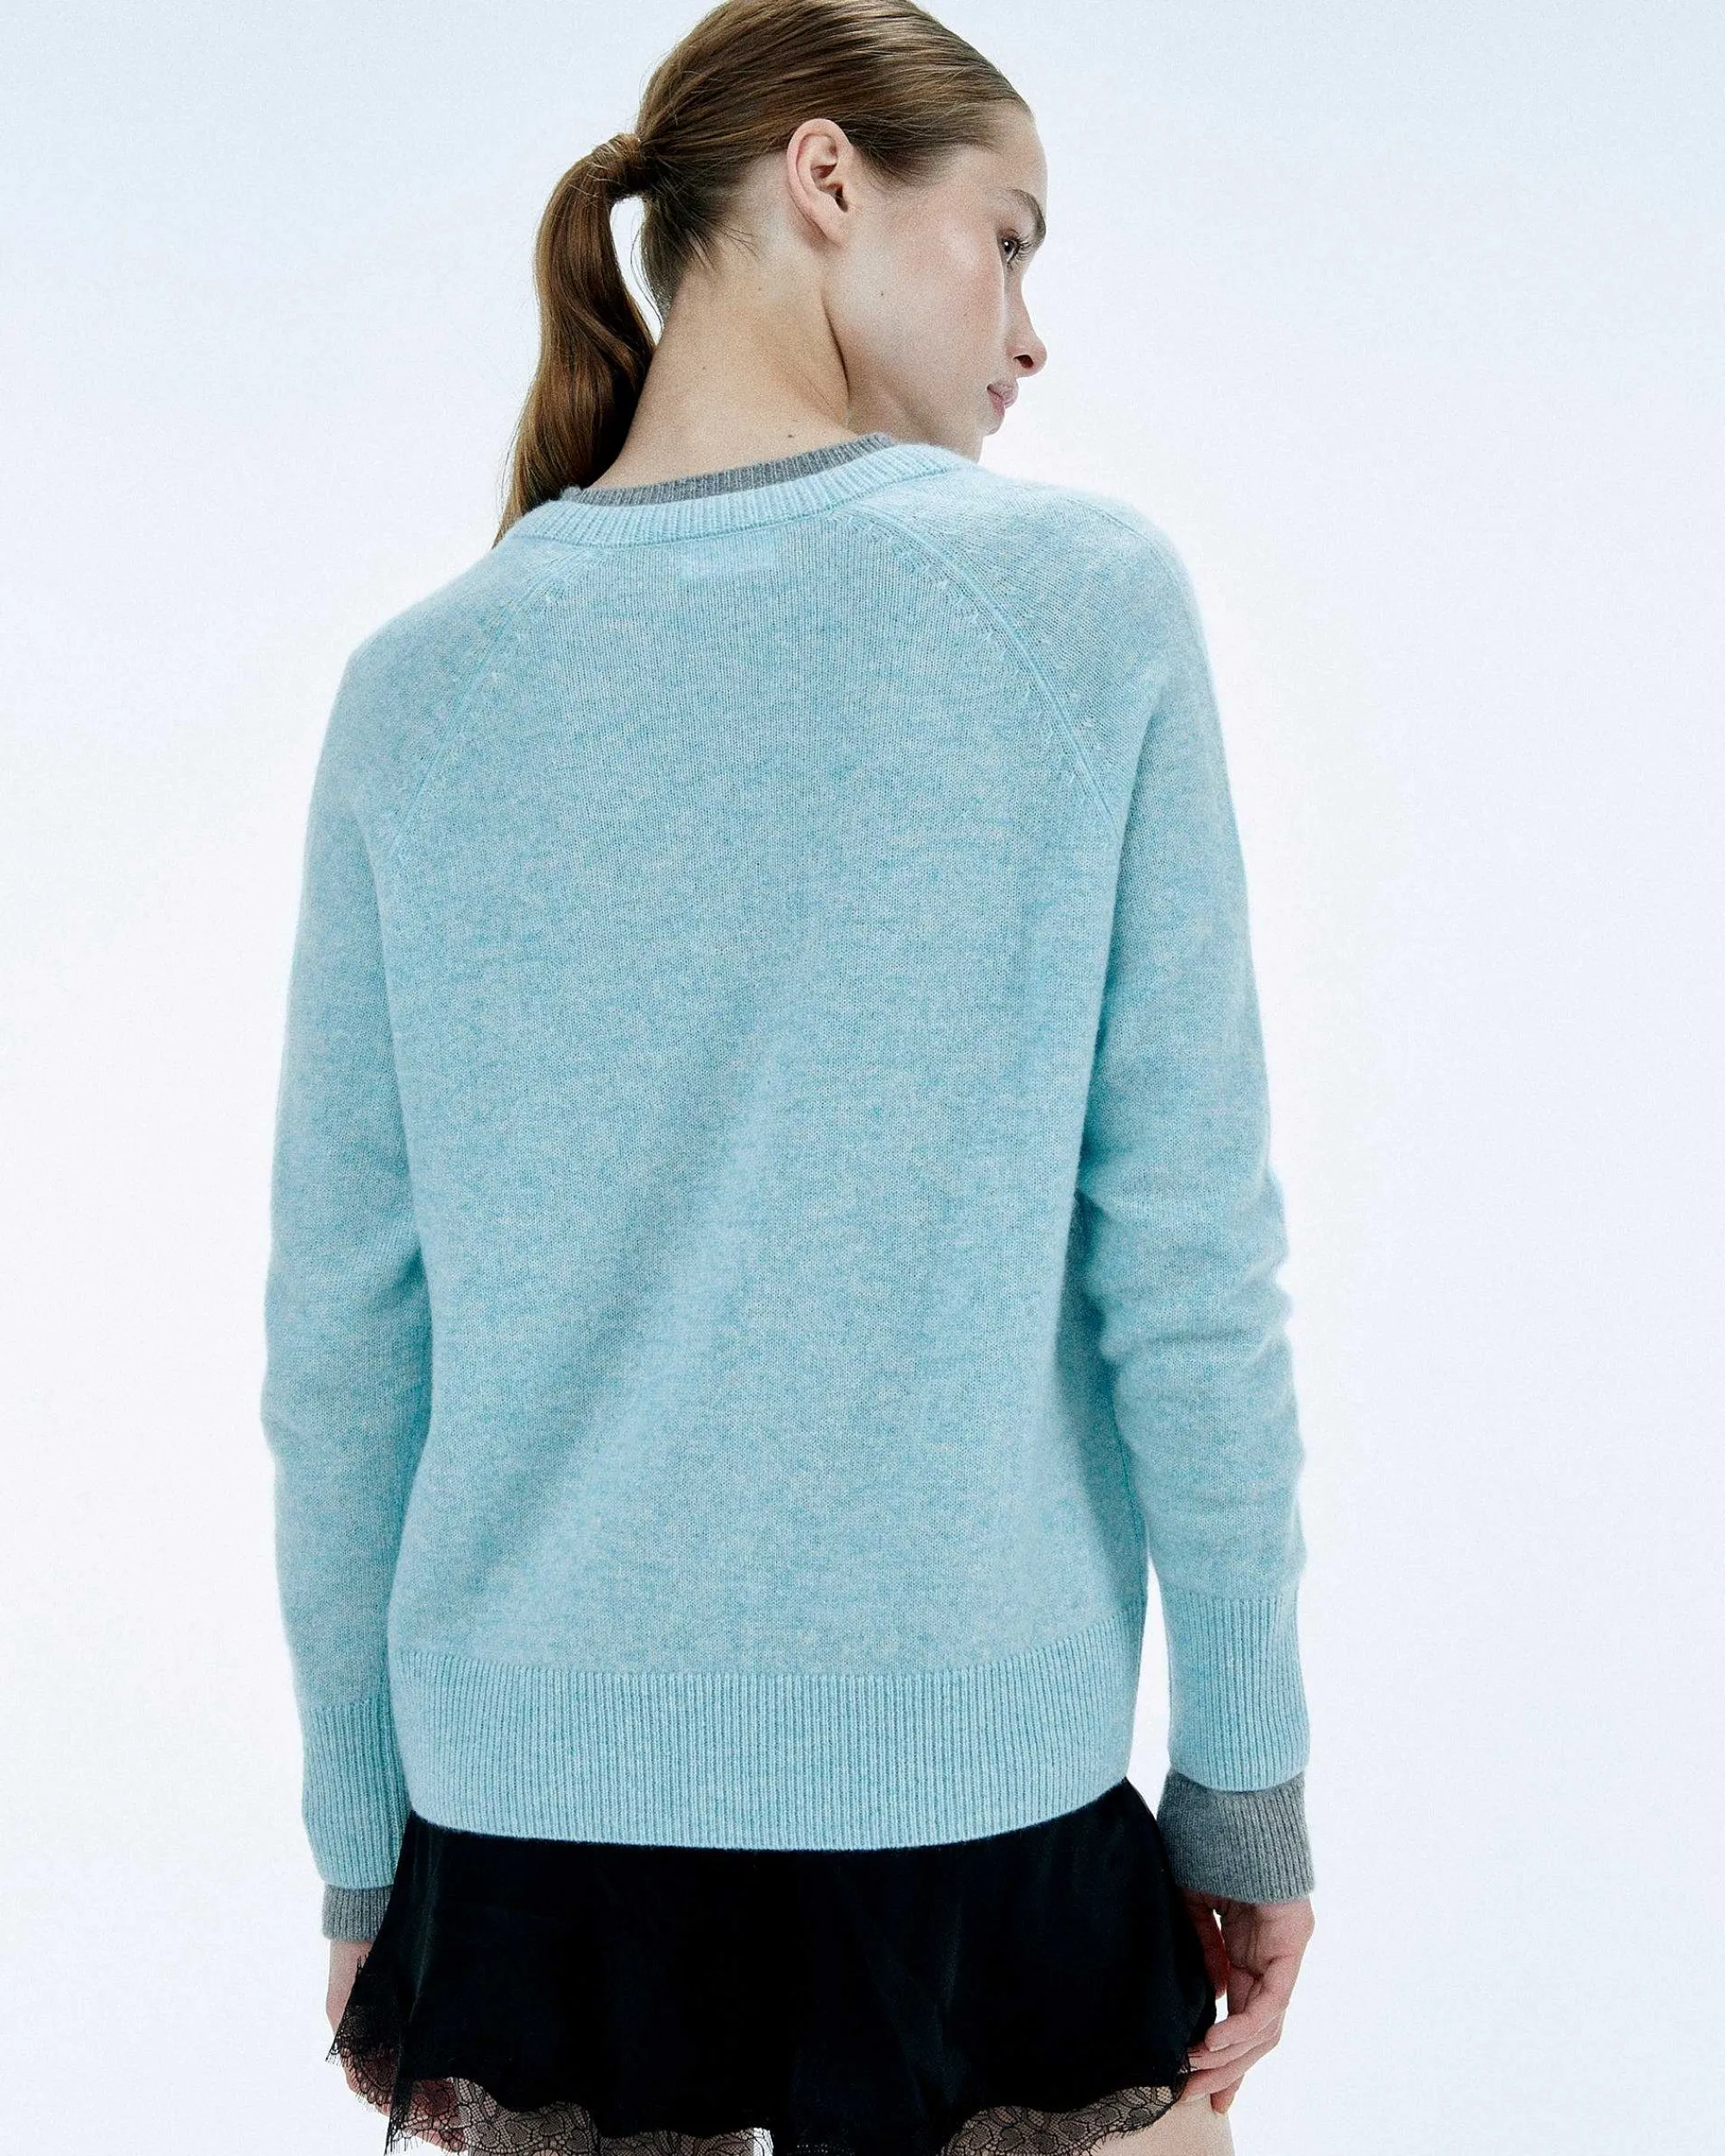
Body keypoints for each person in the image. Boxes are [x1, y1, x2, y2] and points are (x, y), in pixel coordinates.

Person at [260, 3, 1317, 2149]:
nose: (1030, 330)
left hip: (529, 1846)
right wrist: (1243, 1778)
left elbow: (344, 1352)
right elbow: (1187, 1265)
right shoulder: (1079, 609)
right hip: (974, 1808)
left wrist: (368, 1854)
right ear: (826, 178)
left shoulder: (419, 689)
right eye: (1007, 237)